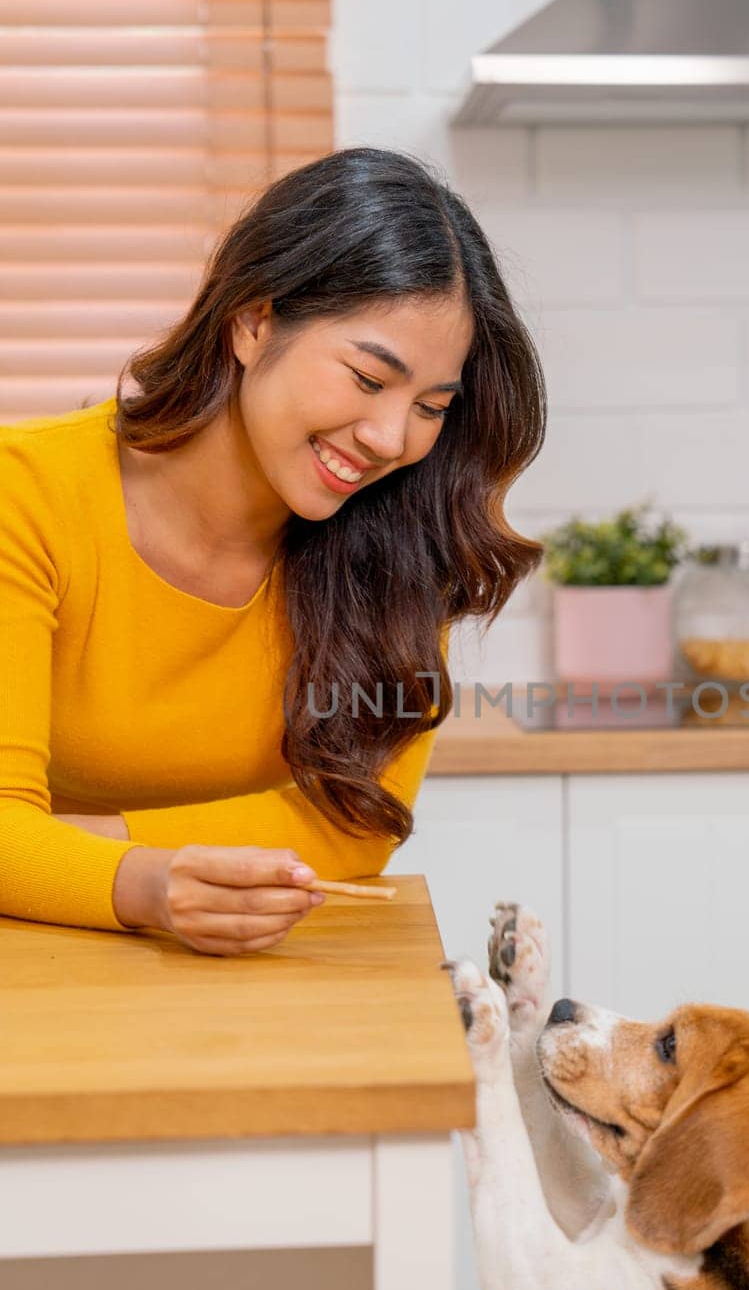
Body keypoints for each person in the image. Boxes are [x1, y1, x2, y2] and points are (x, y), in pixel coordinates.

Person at [0, 147, 545, 955]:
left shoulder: (405, 550)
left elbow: (356, 823)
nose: (391, 438)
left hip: (269, 976)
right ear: (254, 322)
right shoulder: (28, 495)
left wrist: (68, 847)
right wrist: (147, 883)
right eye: (367, 380)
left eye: (431, 406)